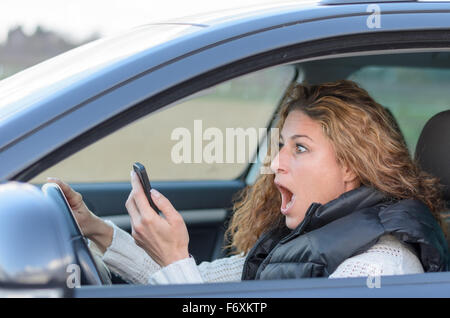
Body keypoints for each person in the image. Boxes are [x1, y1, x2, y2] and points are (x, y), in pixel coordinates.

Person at [48, 80, 449, 285]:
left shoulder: (381, 266)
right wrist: (96, 230)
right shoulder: (311, 238)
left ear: (352, 167)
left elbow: (188, 285)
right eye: (279, 146)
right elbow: (203, 285)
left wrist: (174, 261)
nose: (276, 163)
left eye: (301, 148)